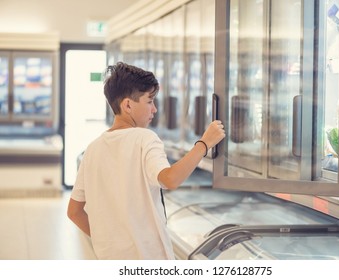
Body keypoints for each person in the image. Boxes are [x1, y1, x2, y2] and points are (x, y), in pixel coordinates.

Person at [67, 62, 225, 260]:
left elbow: (74, 211)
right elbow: (170, 179)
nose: (155, 109)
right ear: (128, 105)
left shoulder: (93, 148)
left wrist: (108, 241)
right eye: (149, 101)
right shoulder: (144, 138)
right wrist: (204, 143)